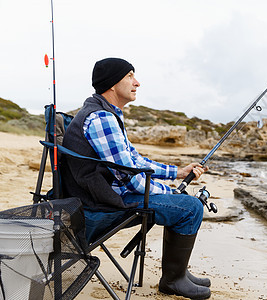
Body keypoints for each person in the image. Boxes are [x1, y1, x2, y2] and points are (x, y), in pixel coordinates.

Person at [61, 57, 211, 299]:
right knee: (190, 207)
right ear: (111, 84)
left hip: (96, 196)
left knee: (182, 202)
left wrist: (177, 173)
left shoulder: (107, 114)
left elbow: (134, 161)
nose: (137, 82)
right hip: (97, 206)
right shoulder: (102, 118)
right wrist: (170, 191)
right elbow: (130, 177)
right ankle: (173, 280)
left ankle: (178, 272)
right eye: (130, 76)